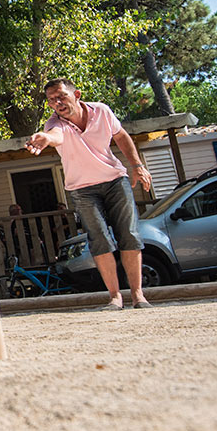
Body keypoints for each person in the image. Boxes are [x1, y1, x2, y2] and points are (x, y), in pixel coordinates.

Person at [25, 78, 153, 310]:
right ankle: (115, 297)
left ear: (77, 95)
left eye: (61, 96)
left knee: (130, 235)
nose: (57, 102)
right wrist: (45, 139)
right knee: (99, 239)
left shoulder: (101, 111)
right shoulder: (55, 124)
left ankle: (138, 296)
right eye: (52, 100)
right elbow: (56, 136)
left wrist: (137, 165)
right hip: (83, 189)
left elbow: (121, 135)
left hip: (115, 180)